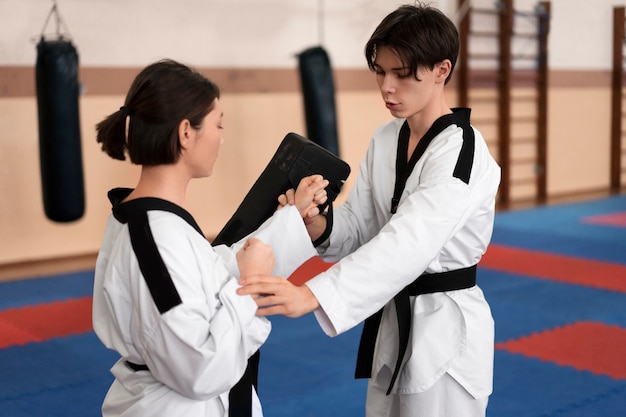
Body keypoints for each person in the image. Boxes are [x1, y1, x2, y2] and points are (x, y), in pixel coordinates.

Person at [237, 3, 501, 417]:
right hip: (392, 321)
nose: (386, 87)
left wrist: (313, 294)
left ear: (441, 70)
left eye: (401, 73)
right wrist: (316, 224)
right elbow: (362, 222)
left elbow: (409, 242)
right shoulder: (387, 138)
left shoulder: (460, 152)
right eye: (380, 71)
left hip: (444, 330)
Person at [92, 59, 329, 417]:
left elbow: (210, 275)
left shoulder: (155, 220)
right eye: (218, 124)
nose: (221, 136)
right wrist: (250, 283)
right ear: (186, 132)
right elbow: (199, 368)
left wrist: (291, 218)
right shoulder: (151, 238)